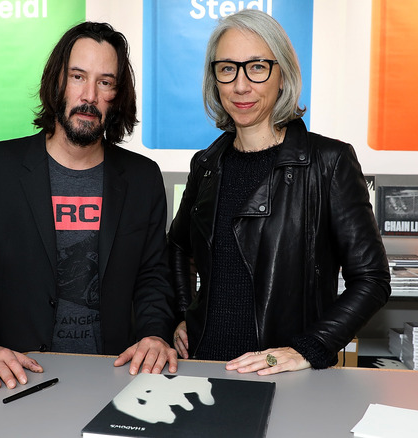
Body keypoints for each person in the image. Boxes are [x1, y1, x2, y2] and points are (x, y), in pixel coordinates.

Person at [0, 21, 177, 391]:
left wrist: (155, 335)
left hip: (114, 379)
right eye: (78, 76)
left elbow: (153, 277)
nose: (89, 95)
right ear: (57, 82)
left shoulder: (142, 178)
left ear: (117, 94)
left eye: (105, 82)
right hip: (13, 380)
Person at [166, 9, 391, 375]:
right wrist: (182, 315)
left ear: (282, 74)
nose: (241, 86)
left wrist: (306, 349)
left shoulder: (328, 162)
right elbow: (177, 247)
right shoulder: (206, 164)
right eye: (227, 69)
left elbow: (372, 280)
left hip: (283, 376)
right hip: (203, 368)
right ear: (214, 80)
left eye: (257, 67)